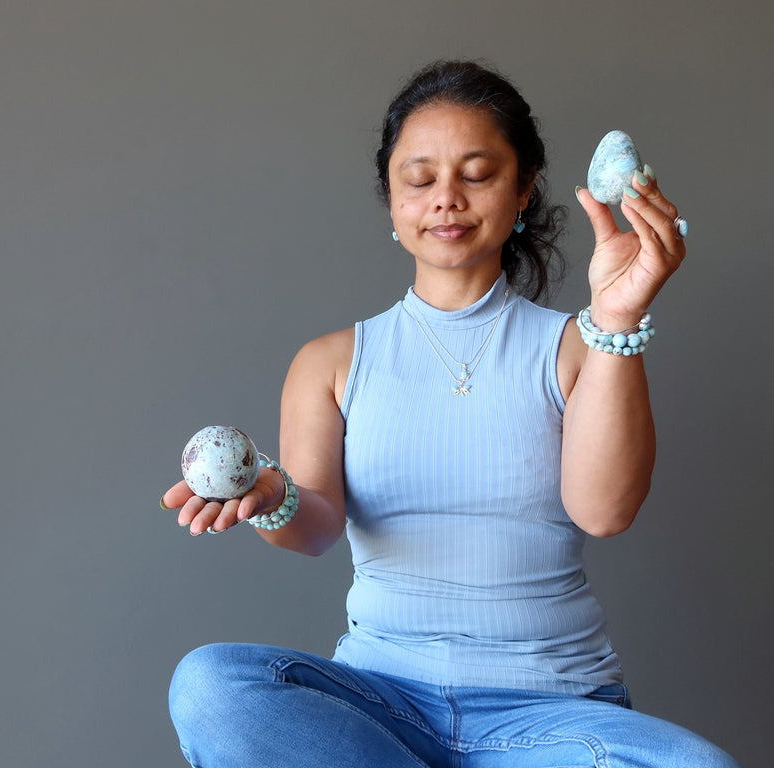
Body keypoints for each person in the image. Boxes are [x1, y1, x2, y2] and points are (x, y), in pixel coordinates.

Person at [161, 60, 738, 768]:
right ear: (392, 201)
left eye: (477, 173)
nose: (446, 199)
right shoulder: (331, 362)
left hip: (551, 719)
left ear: (523, 189)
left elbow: (604, 512)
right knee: (212, 686)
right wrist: (273, 496)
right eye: (420, 177)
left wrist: (617, 319)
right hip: (381, 709)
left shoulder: (580, 346)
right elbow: (314, 532)